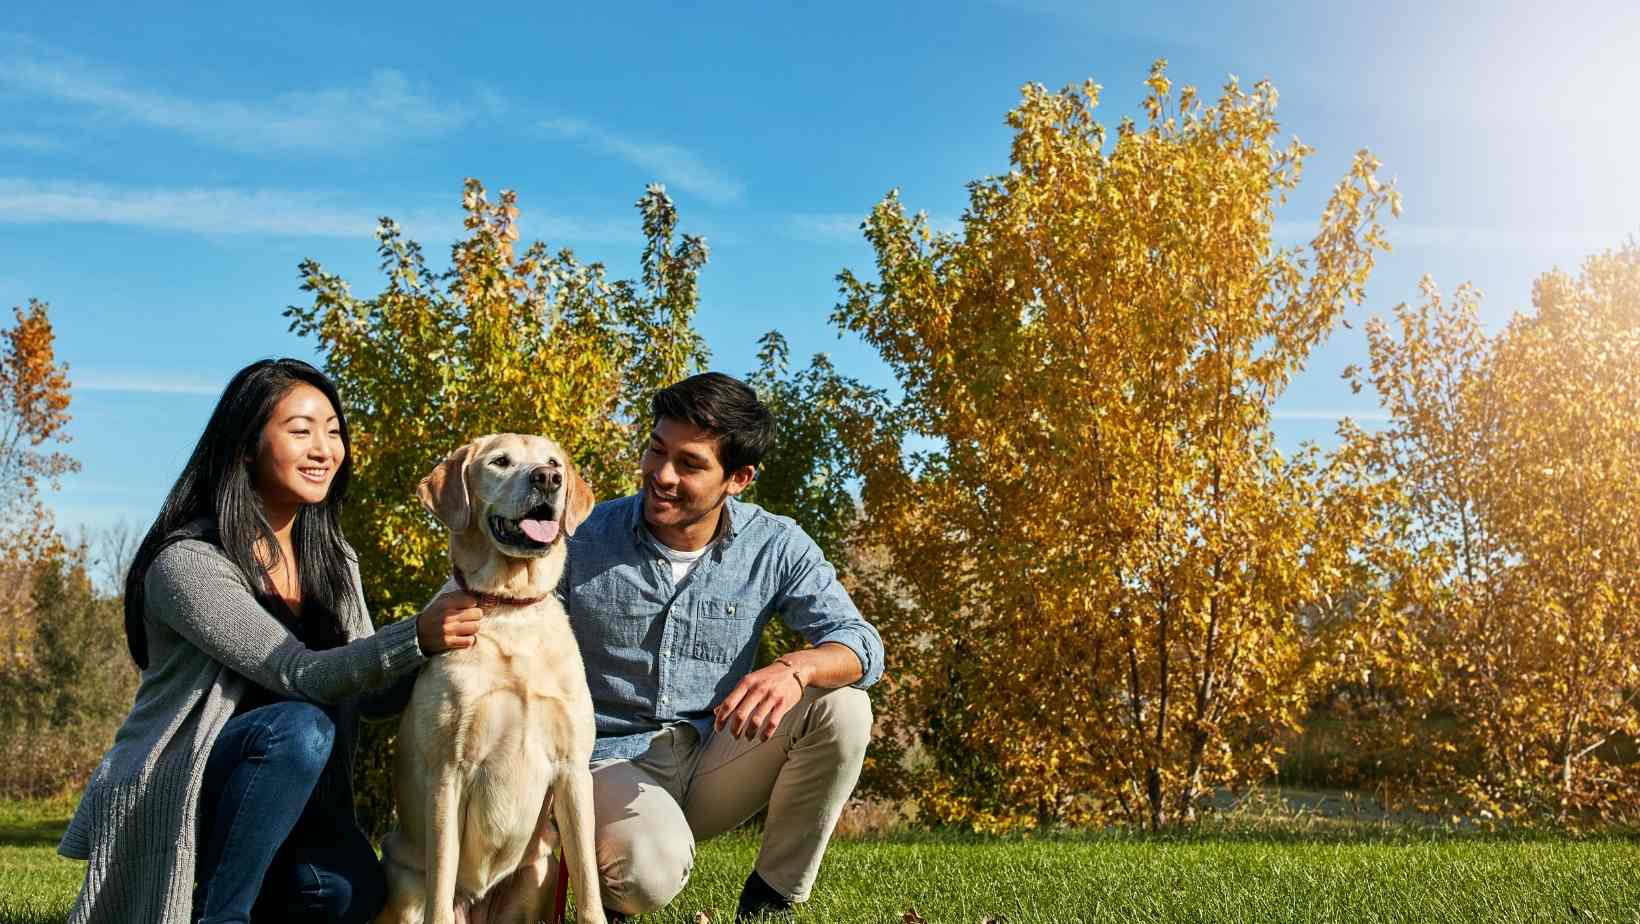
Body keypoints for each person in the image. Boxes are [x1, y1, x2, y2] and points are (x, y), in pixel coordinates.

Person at [56, 358, 483, 924]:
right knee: (300, 727)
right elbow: (300, 674)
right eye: (300, 430)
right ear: (247, 446)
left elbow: (371, 695)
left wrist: (456, 651)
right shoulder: (189, 563)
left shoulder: (333, 560)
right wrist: (417, 635)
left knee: (348, 894)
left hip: (298, 807)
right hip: (188, 793)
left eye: (333, 431)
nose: (324, 449)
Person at [560, 372, 885, 922]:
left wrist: (795, 668)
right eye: (656, 451)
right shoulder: (582, 534)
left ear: (738, 478)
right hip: (607, 760)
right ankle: (625, 869)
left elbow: (862, 645)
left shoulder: (774, 545)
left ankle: (771, 898)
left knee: (844, 706)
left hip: (716, 754)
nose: (661, 475)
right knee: (644, 873)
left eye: (689, 464)